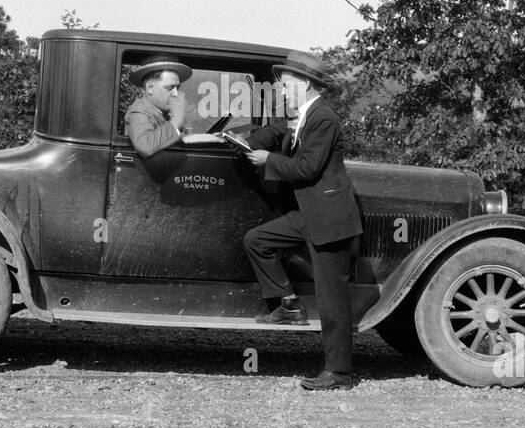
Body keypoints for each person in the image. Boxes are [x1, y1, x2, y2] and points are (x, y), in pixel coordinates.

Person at [241, 50, 363, 391]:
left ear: (305, 84)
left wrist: (269, 159)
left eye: (285, 84)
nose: (280, 89)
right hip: (310, 216)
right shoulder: (306, 117)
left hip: (329, 220)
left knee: (332, 299)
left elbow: (307, 168)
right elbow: (285, 133)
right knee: (258, 240)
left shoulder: (323, 118)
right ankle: (286, 303)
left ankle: (340, 372)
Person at [123, 55, 222, 158]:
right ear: (150, 87)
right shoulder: (138, 112)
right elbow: (145, 146)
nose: (175, 93)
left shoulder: (161, 112)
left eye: (177, 87)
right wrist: (177, 119)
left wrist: (208, 138)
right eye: (170, 88)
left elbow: (176, 138)